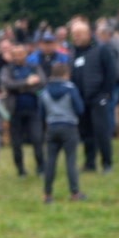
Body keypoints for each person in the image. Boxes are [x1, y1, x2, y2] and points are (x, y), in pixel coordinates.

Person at [67, 19, 119, 173]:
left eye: (79, 34)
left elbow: (111, 73)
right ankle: (90, 163)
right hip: (81, 98)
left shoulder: (101, 50)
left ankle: (107, 163)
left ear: (89, 34)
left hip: (98, 97)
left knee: (101, 131)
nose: (76, 37)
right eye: (74, 34)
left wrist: (105, 94)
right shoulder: (73, 52)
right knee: (86, 132)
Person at [41, 61, 86, 203]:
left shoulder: (45, 90)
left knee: (50, 161)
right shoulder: (70, 88)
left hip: (52, 127)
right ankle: (75, 193)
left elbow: (41, 112)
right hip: (69, 127)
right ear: (66, 74)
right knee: (71, 161)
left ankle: (47, 194)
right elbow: (80, 109)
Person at [2, 42, 46, 177]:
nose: (18, 57)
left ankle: (41, 167)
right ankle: (21, 170)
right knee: (17, 142)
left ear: (26, 54)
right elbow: (7, 84)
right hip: (15, 110)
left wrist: (19, 88)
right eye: (15, 54)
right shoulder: (7, 69)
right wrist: (27, 83)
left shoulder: (34, 67)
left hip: (33, 109)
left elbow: (42, 82)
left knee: (37, 139)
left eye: (20, 54)